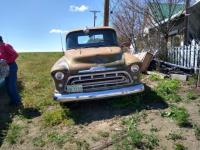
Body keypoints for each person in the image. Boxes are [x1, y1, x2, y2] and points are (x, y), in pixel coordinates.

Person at [0, 36, 21, 106]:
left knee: (11, 85)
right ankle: (13, 100)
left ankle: (17, 102)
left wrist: (6, 61)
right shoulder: (0, 47)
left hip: (11, 66)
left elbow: (15, 54)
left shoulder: (6, 46)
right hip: (5, 68)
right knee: (7, 85)